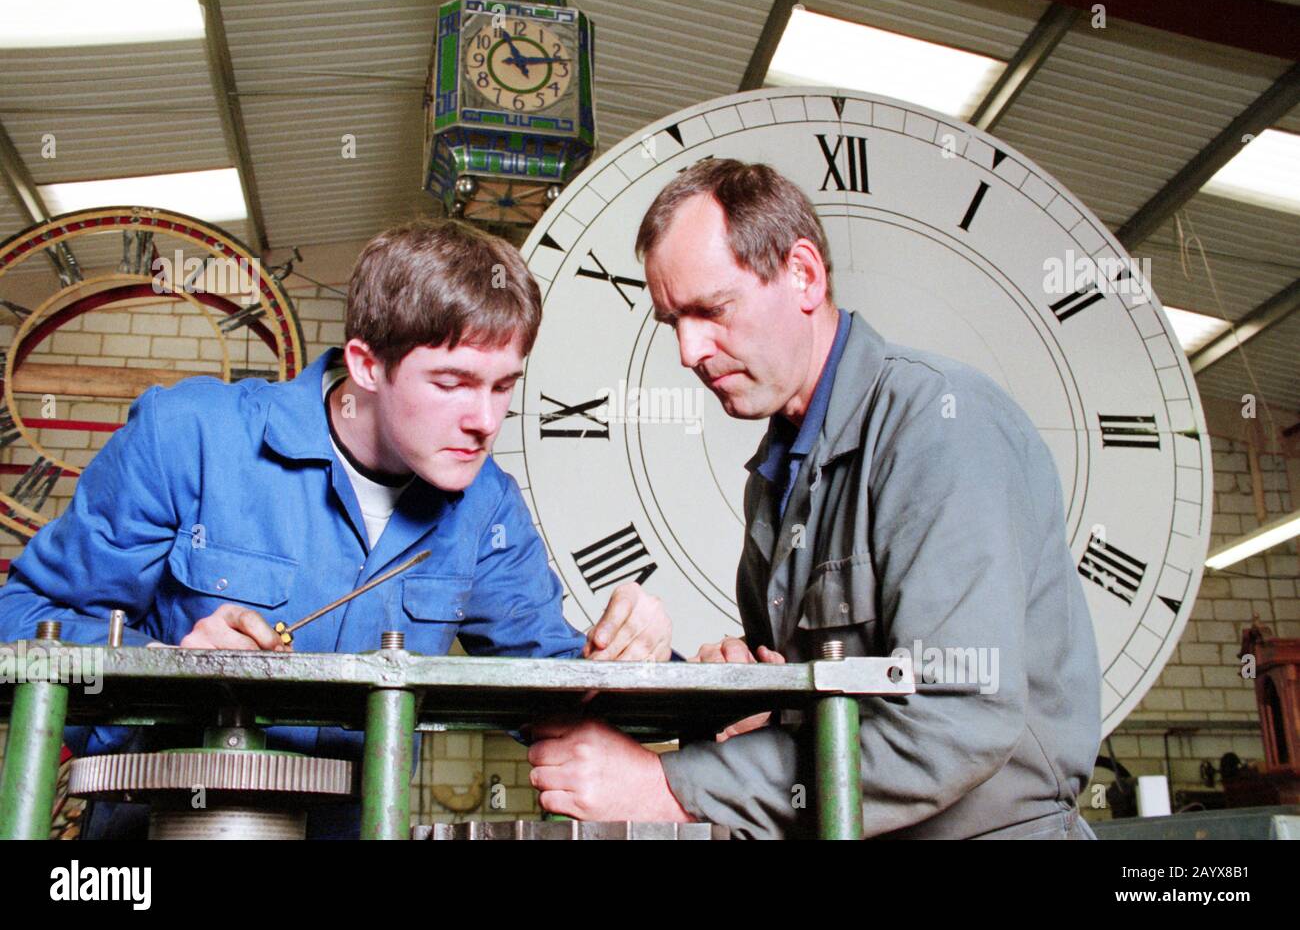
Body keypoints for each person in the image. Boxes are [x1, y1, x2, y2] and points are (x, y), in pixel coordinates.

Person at [0, 217, 670, 837]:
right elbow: (21, 614)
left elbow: (554, 684)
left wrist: (639, 654)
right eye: (453, 383)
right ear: (366, 364)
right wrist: (165, 668)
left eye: (502, 387)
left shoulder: (485, 507)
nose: (485, 421)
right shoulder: (193, 436)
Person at [526, 159, 1101, 839]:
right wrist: (757, 698)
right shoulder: (776, 476)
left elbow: (956, 721)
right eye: (671, 321)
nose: (688, 351)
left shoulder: (942, 425)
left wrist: (669, 787)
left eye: (711, 310)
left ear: (803, 272)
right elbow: (834, 715)